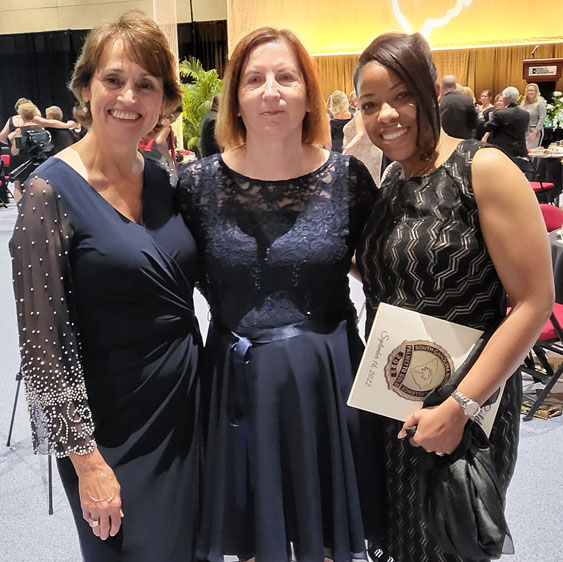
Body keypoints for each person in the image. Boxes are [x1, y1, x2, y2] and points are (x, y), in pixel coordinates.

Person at [177, 26, 383, 562]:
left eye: (286, 77)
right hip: (237, 381)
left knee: (333, 536)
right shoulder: (196, 186)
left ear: (308, 94)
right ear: (235, 99)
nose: (271, 91)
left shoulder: (348, 178)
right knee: (253, 539)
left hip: (328, 378)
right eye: (255, 79)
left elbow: (383, 274)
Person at [354, 32, 553, 562]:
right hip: (397, 400)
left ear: (427, 92)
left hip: (469, 408)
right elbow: (387, 272)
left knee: (453, 538)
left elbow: (534, 301)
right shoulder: (394, 179)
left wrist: (461, 406)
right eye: (369, 105)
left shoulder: (481, 169)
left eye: (401, 96)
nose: (387, 115)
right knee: (403, 543)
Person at [10, 12, 201, 562]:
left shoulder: (164, 178)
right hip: (109, 433)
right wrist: (86, 461)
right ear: (86, 86)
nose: (128, 96)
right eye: (114, 79)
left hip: (187, 410)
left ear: (163, 99)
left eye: (147, 84)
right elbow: (41, 350)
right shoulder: (49, 194)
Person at [485, 86, 530, 157]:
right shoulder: (525, 114)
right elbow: (525, 130)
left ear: (505, 98)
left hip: (503, 150)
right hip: (520, 150)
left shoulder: (500, 113)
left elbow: (488, 127)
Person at [343, 109, 383, 185]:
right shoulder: (363, 113)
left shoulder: (361, 113)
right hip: (365, 154)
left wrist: (347, 148)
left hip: (364, 155)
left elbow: (361, 133)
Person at [439, 74, 478, 139]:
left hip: (445, 139)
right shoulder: (468, 100)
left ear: (442, 87)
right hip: (464, 138)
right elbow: (474, 123)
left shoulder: (440, 102)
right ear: (455, 86)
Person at [520, 82, 547, 149]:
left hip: (534, 130)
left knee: (532, 152)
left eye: (532, 90)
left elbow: (542, 118)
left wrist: (534, 133)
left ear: (536, 92)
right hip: (524, 131)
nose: (530, 92)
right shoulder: (523, 103)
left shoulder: (540, 103)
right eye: (528, 90)